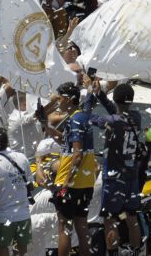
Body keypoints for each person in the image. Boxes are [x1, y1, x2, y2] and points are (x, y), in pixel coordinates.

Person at [89, 81, 150, 255]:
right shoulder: (136, 117)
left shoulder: (112, 121)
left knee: (109, 219)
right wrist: (100, 94)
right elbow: (115, 112)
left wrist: (89, 99)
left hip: (114, 179)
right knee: (132, 217)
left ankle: (113, 252)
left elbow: (90, 118)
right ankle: (136, 250)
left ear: (115, 99)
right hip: (131, 176)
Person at [53, 82, 96, 256]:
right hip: (87, 182)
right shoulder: (85, 116)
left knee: (64, 226)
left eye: (60, 98)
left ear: (69, 100)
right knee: (82, 225)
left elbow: (77, 154)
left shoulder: (75, 120)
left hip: (71, 183)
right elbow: (66, 144)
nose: (57, 101)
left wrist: (65, 182)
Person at [0, 127, 34, 256]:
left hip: (3, 217)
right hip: (24, 215)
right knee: (21, 252)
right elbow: (31, 186)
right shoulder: (22, 157)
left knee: (1, 249)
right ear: (7, 141)